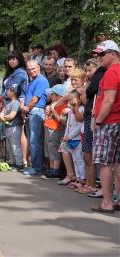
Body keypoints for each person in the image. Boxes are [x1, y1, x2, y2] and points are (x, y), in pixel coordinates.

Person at [91, 40, 120, 213]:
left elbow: (108, 101)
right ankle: (116, 199)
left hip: (109, 122)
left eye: (102, 54)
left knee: (104, 163)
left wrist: (99, 120)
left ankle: (107, 202)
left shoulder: (111, 73)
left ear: (113, 54)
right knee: (118, 162)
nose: (99, 57)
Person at [76, 58, 106, 195]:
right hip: (88, 116)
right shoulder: (91, 82)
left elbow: (85, 97)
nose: (88, 73)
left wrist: (83, 92)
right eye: (86, 71)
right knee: (86, 153)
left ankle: (92, 184)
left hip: (92, 116)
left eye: (90, 70)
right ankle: (89, 182)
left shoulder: (98, 81)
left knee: (90, 153)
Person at [21, 60, 49, 175]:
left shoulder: (41, 80)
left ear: (39, 67)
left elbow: (35, 99)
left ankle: (36, 167)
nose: (31, 71)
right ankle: (36, 166)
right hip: (30, 112)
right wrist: (23, 108)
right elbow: (26, 96)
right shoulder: (32, 81)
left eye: (33, 68)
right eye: (29, 69)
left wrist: (25, 109)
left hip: (36, 111)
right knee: (33, 140)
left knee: (35, 141)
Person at [1, 50, 29, 167]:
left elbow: (13, 89)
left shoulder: (21, 73)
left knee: (14, 137)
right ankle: (12, 161)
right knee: (9, 137)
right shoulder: (11, 72)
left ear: (19, 59)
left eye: (14, 59)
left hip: (16, 104)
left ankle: (19, 163)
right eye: (10, 59)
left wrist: (0, 98)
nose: (11, 61)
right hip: (8, 104)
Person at [59, 90, 85, 189]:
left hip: (77, 139)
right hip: (70, 139)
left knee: (79, 160)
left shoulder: (81, 109)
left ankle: (82, 179)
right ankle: (77, 178)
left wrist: (69, 136)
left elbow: (79, 126)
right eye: (69, 99)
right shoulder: (71, 111)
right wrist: (66, 136)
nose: (70, 101)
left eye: (72, 99)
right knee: (75, 160)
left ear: (79, 99)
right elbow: (68, 126)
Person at [42, 84, 69, 179]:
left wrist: (53, 109)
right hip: (48, 127)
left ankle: (55, 170)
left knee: (54, 149)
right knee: (49, 149)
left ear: (59, 96)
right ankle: (51, 168)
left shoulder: (62, 105)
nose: (50, 95)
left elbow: (60, 120)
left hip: (56, 129)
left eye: (52, 94)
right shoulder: (51, 104)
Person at [0, 84, 24, 171]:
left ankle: (19, 164)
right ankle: (13, 162)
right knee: (9, 147)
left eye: (9, 90)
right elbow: (2, 112)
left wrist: (3, 117)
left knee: (15, 146)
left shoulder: (16, 103)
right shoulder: (8, 103)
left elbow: (12, 115)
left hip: (15, 127)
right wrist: (1, 116)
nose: (7, 91)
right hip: (7, 127)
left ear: (13, 92)